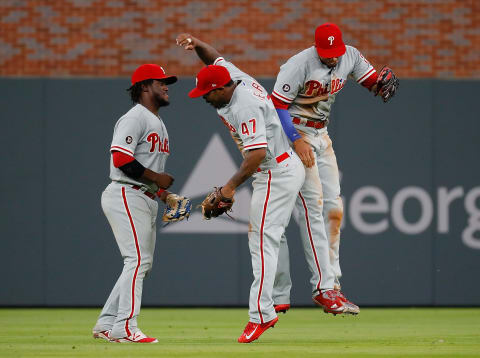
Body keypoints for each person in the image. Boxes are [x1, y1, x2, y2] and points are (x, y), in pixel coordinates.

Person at [176, 33, 350, 343]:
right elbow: (214, 57)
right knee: (296, 227)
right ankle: (305, 291)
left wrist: (228, 188)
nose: (203, 97)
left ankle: (261, 314)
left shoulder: (244, 106)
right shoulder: (234, 77)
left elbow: (255, 154)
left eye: (207, 92)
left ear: (221, 88)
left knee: (262, 239)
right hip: (289, 163)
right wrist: (197, 43)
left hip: (276, 171)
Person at [271, 22, 398, 314]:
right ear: (317, 47)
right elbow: (276, 106)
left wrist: (381, 86)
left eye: (335, 51)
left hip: (321, 134)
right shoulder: (299, 64)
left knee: (334, 209)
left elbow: (372, 83)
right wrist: (295, 139)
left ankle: (333, 285)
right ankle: (323, 288)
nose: (332, 57)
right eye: (326, 52)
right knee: (312, 208)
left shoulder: (349, 55)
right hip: (294, 133)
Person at [92, 64, 191, 343]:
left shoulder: (157, 122)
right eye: (161, 82)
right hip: (126, 192)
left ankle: (107, 323)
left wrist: (164, 194)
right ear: (145, 86)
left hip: (143, 195)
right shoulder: (135, 117)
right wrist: (158, 178)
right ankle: (124, 328)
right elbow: (121, 159)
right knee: (136, 260)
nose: (166, 86)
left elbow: (146, 172)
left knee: (141, 264)